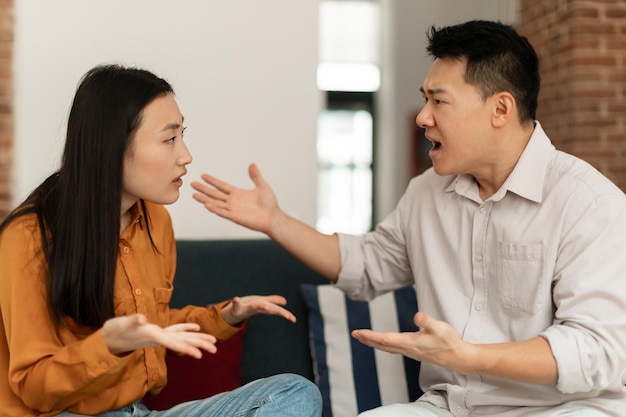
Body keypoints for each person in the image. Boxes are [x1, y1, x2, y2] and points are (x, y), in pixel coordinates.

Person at [191, 19, 626, 417]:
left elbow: (597, 351)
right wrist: (273, 220)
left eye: (439, 101)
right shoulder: (427, 193)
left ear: (500, 109)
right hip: (452, 406)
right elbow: (367, 265)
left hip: (565, 409)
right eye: (425, 99)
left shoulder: (588, 204)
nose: (422, 117)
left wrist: (468, 356)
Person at [0, 64, 322, 417]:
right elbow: (34, 386)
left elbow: (153, 324)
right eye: (169, 139)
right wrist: (108, 346)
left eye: (182, 135)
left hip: (138, 412)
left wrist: (225, 316)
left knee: (295, 393)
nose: (185, 156)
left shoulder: (155, 220)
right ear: (112, 146)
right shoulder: (28, 238)